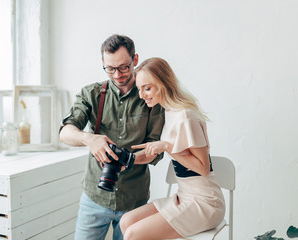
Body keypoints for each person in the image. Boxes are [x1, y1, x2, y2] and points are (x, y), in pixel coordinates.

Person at [59, 35, 164, 240]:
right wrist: (90, 139)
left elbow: (156, 147)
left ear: (135, 60)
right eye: (110, 68)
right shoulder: (92, 94)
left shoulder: (150, 96)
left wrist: (130, 159)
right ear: (103, 64)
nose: (117, 75)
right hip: (94, 196)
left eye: (124, 67)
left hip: (134, 199)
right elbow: (65, 132)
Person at [119, 57, 226, 240]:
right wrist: (126, 160)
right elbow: (166, 150)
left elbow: (203, 168)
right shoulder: (169, 111)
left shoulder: (186, 116)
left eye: (147, 88)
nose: (142, 95)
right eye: (139, 88)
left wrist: (167, 147)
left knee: (133, 235)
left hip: (205, 203)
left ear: (163, 84)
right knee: (126, 221)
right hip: (184, 196)